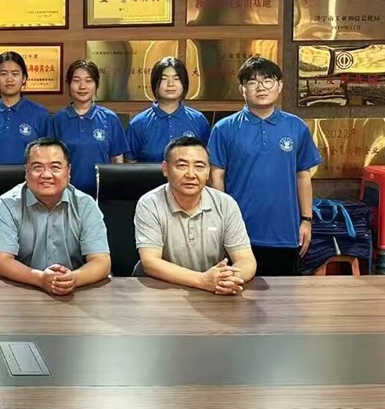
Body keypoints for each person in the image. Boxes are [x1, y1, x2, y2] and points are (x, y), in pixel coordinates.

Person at [208, 56, 320, 276]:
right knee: (235, 291)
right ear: (242, 89)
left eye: (267, 80)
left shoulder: (296, 127)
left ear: (279, 86)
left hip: (285, 232)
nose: (260, 87)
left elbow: (303, 176)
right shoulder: (224, 129)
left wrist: (306, 220)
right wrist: (221, 222)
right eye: (252, 82)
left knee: (284, 294)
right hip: (238, 233)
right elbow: (216, 177)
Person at [135, 136, 256, 294]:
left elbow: (246, 260)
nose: (191, 174)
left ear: (208, 172)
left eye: (199, 166)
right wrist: (202, 280)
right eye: (182, 165)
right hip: (162, 291)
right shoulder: (150, 203)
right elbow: (150, 262)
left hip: (212, 293)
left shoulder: (225, 203)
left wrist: (226, 280)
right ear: (165, 169)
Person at [0, 138, 110, 294]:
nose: (46, 175)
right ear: (26, 172)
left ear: (68, 171)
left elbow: (101, 261)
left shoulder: (85, 205)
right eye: (37, 167)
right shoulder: (7, 204)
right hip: (22, 291)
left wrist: (72, 279)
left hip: (76, 293)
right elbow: (2, 262)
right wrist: (40, 279)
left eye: (55, 167)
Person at [51, 59, 128, 197]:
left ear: (96, 84)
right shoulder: (57, 120)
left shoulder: (110, 118)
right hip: (65, 195)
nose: (82, 86)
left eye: (88, 81)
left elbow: (117, 160)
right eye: (76, 81)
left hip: (102, 195)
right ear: (68, 84)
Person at [0, 51, 53, 167]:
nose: (9, 79)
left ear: (24, 78)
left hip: (30, 178)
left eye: (15, 74)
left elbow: (48, 153)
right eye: (3, 74)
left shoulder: (41, 114)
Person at [127, 56, 211, 163]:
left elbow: (207, 158)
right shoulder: (139, 123)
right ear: (155, 83)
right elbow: (130, 162)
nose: (170, 84)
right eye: (164, 79)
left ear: (184, 83)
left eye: (176, 79)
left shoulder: (198, 120)